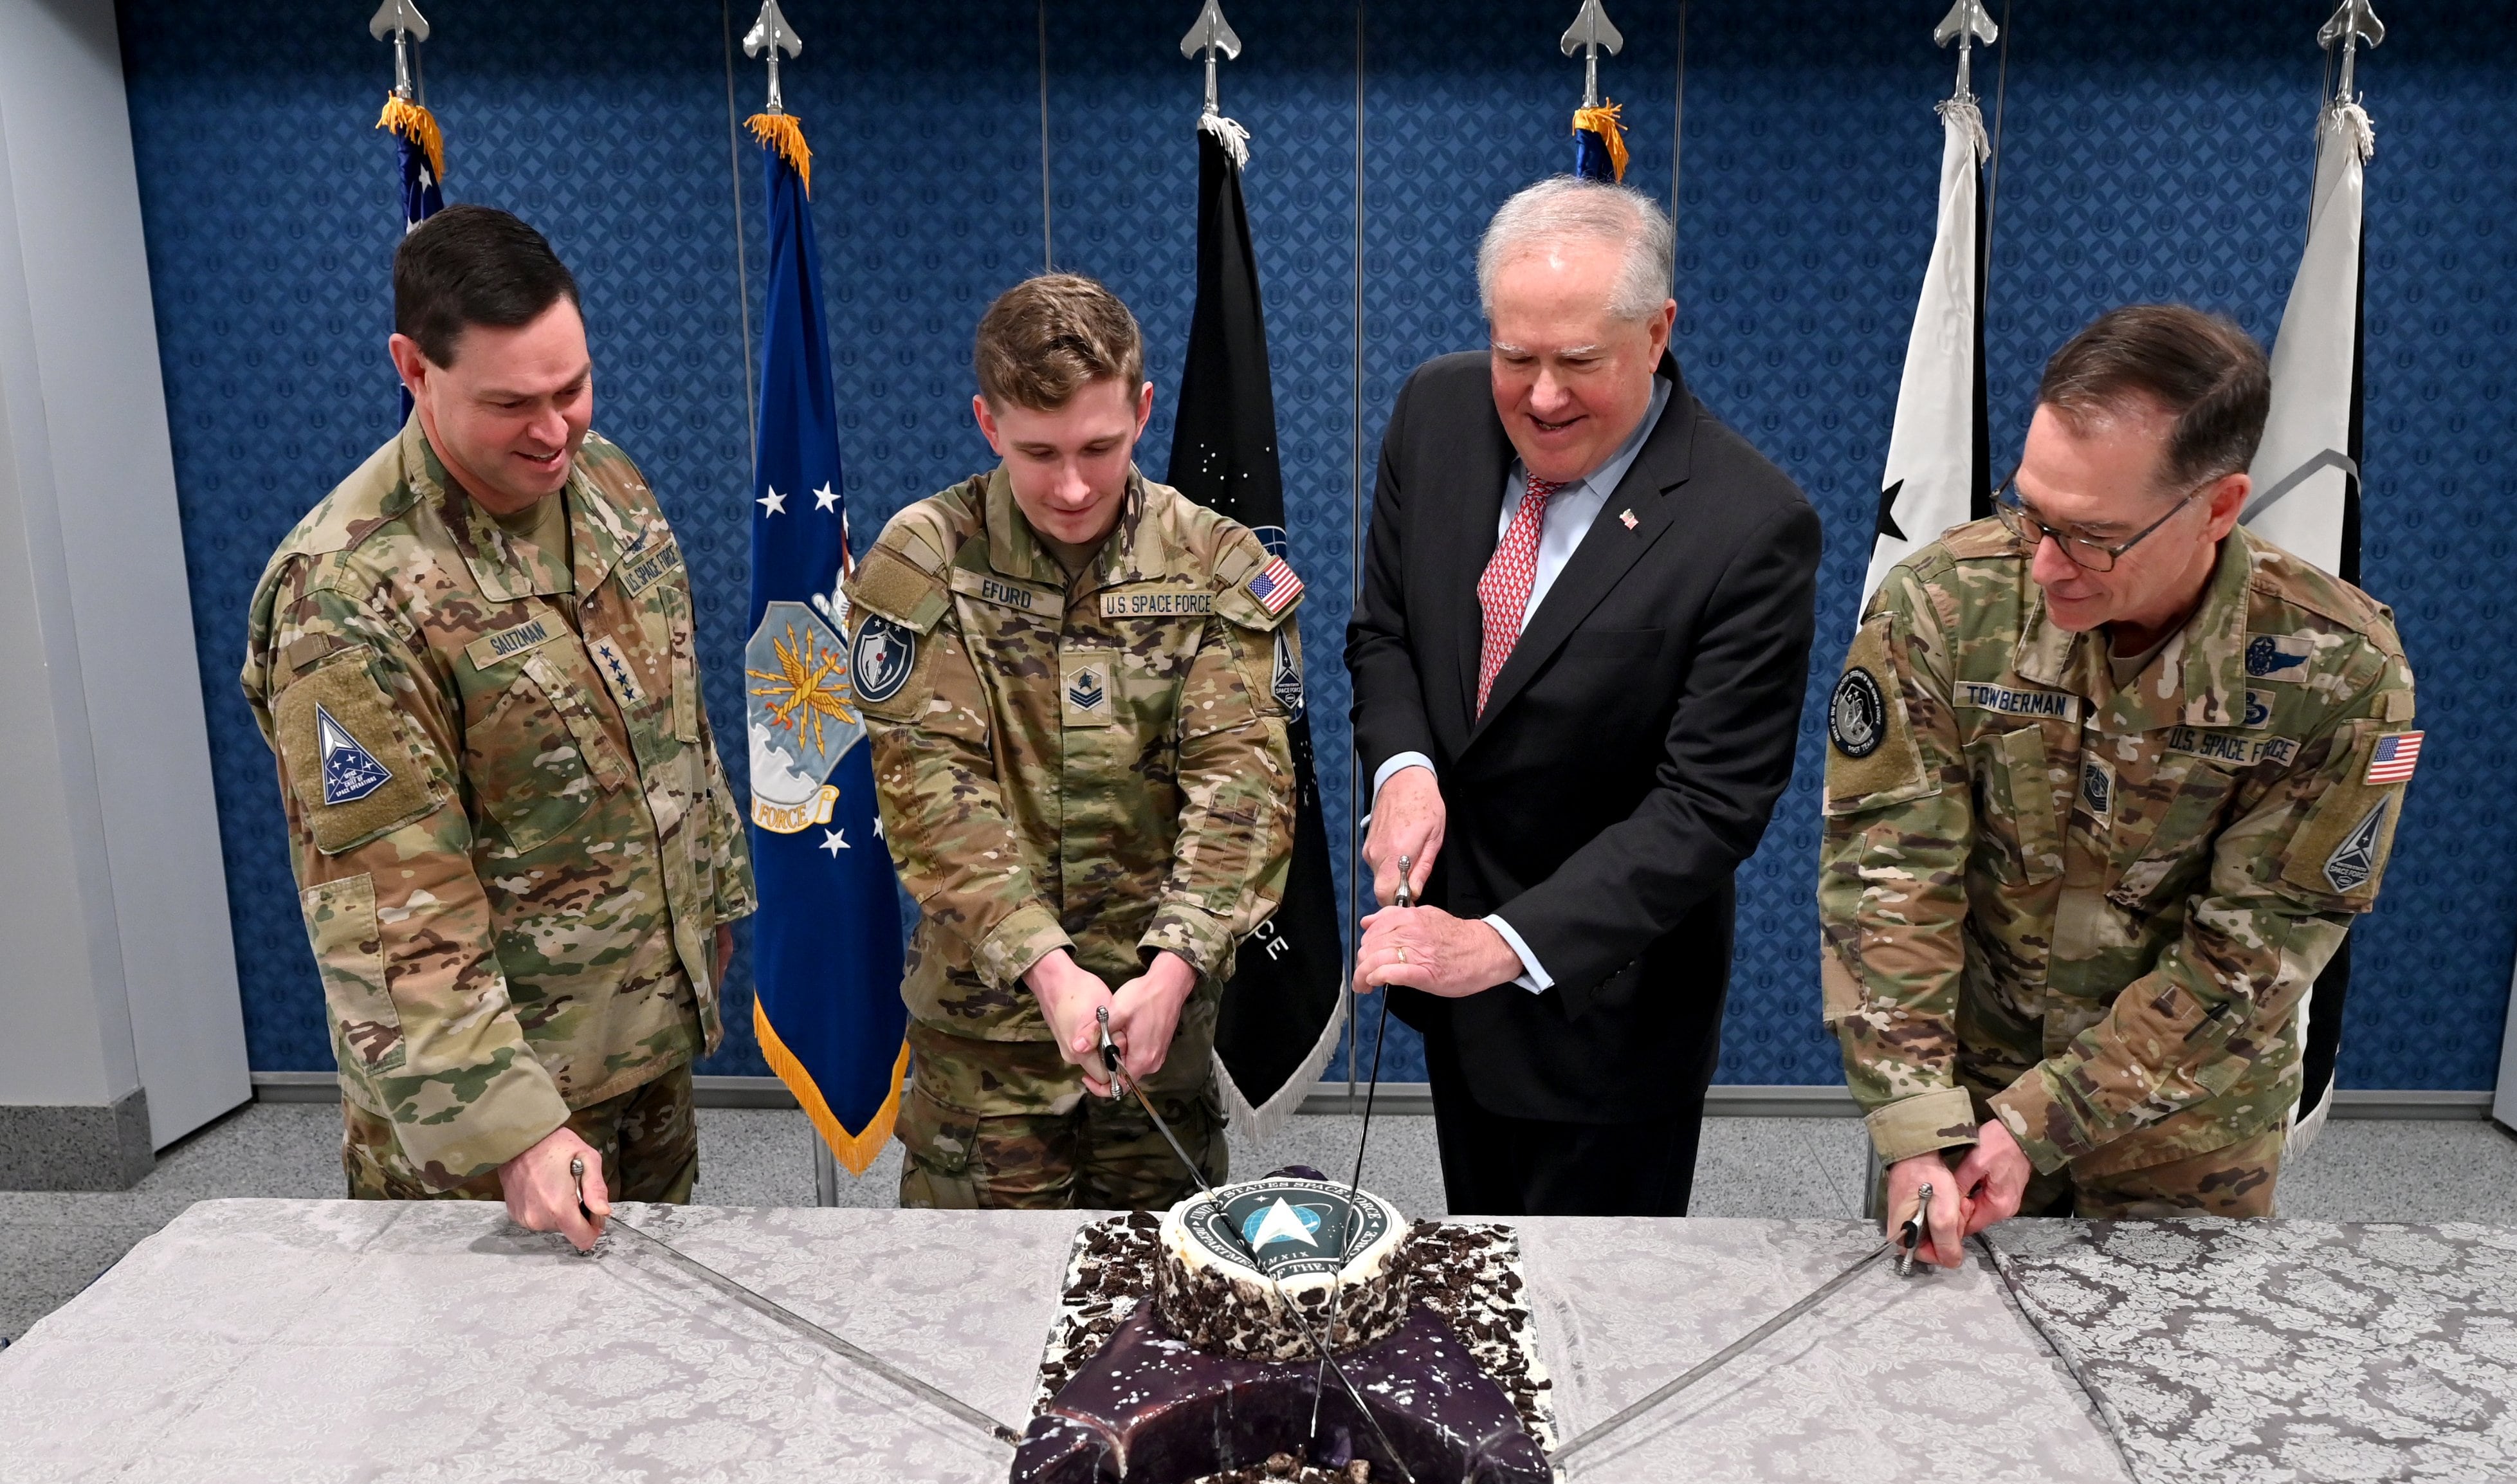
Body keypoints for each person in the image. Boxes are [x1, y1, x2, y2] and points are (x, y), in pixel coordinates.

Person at [1818, 304, 2419, 1264]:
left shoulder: (2336, 673)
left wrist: (2046, 1117)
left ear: (2219, 507)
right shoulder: (1942, 605)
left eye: (2093, 536)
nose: (2046, 562)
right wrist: (1918, 1121)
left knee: (2166, 1397)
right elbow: (1891, 883)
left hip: (2185, 1139)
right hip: (1955, 1108)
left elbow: (2251, 960)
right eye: (2032, 512)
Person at [244, 205, 752, 1252]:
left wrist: (715, 897)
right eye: (511, 402)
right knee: (490, 1394)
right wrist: (513, 1127)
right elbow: (390, 905)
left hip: (641, 1039)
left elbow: (675, 724)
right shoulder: (347, 594)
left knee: (662, 1369)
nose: (555, 430)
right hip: (484, 1104)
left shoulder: (605, 486)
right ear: (412, 367)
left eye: (572, 387)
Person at [1344, 178, 1822, 1216]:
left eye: (1579, 363)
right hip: (1450, 980)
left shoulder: (1752, 525)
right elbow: (1384, 634)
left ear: (1658, 334)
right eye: (1517, 357)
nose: (1542, 397)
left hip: (1606, 1013)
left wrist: (1501, 945)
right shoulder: (1435, 409)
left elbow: (1709, 805)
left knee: (1594, 1322)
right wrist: (1406, 767)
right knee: (1480, 1271)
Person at [845, 274, 1296, 1208]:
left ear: (1142, 409)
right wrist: (1047, 967)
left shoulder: (1220, 564)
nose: (1073, 486)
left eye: (1101, 445)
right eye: (1037, 452)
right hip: (988, 1043)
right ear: (986, 422)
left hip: (1158, 1022)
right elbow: (934, 794)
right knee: (977, 1315)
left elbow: (1241, 783)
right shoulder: (924, 559)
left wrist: (1174, 966)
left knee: (1162, 1315)